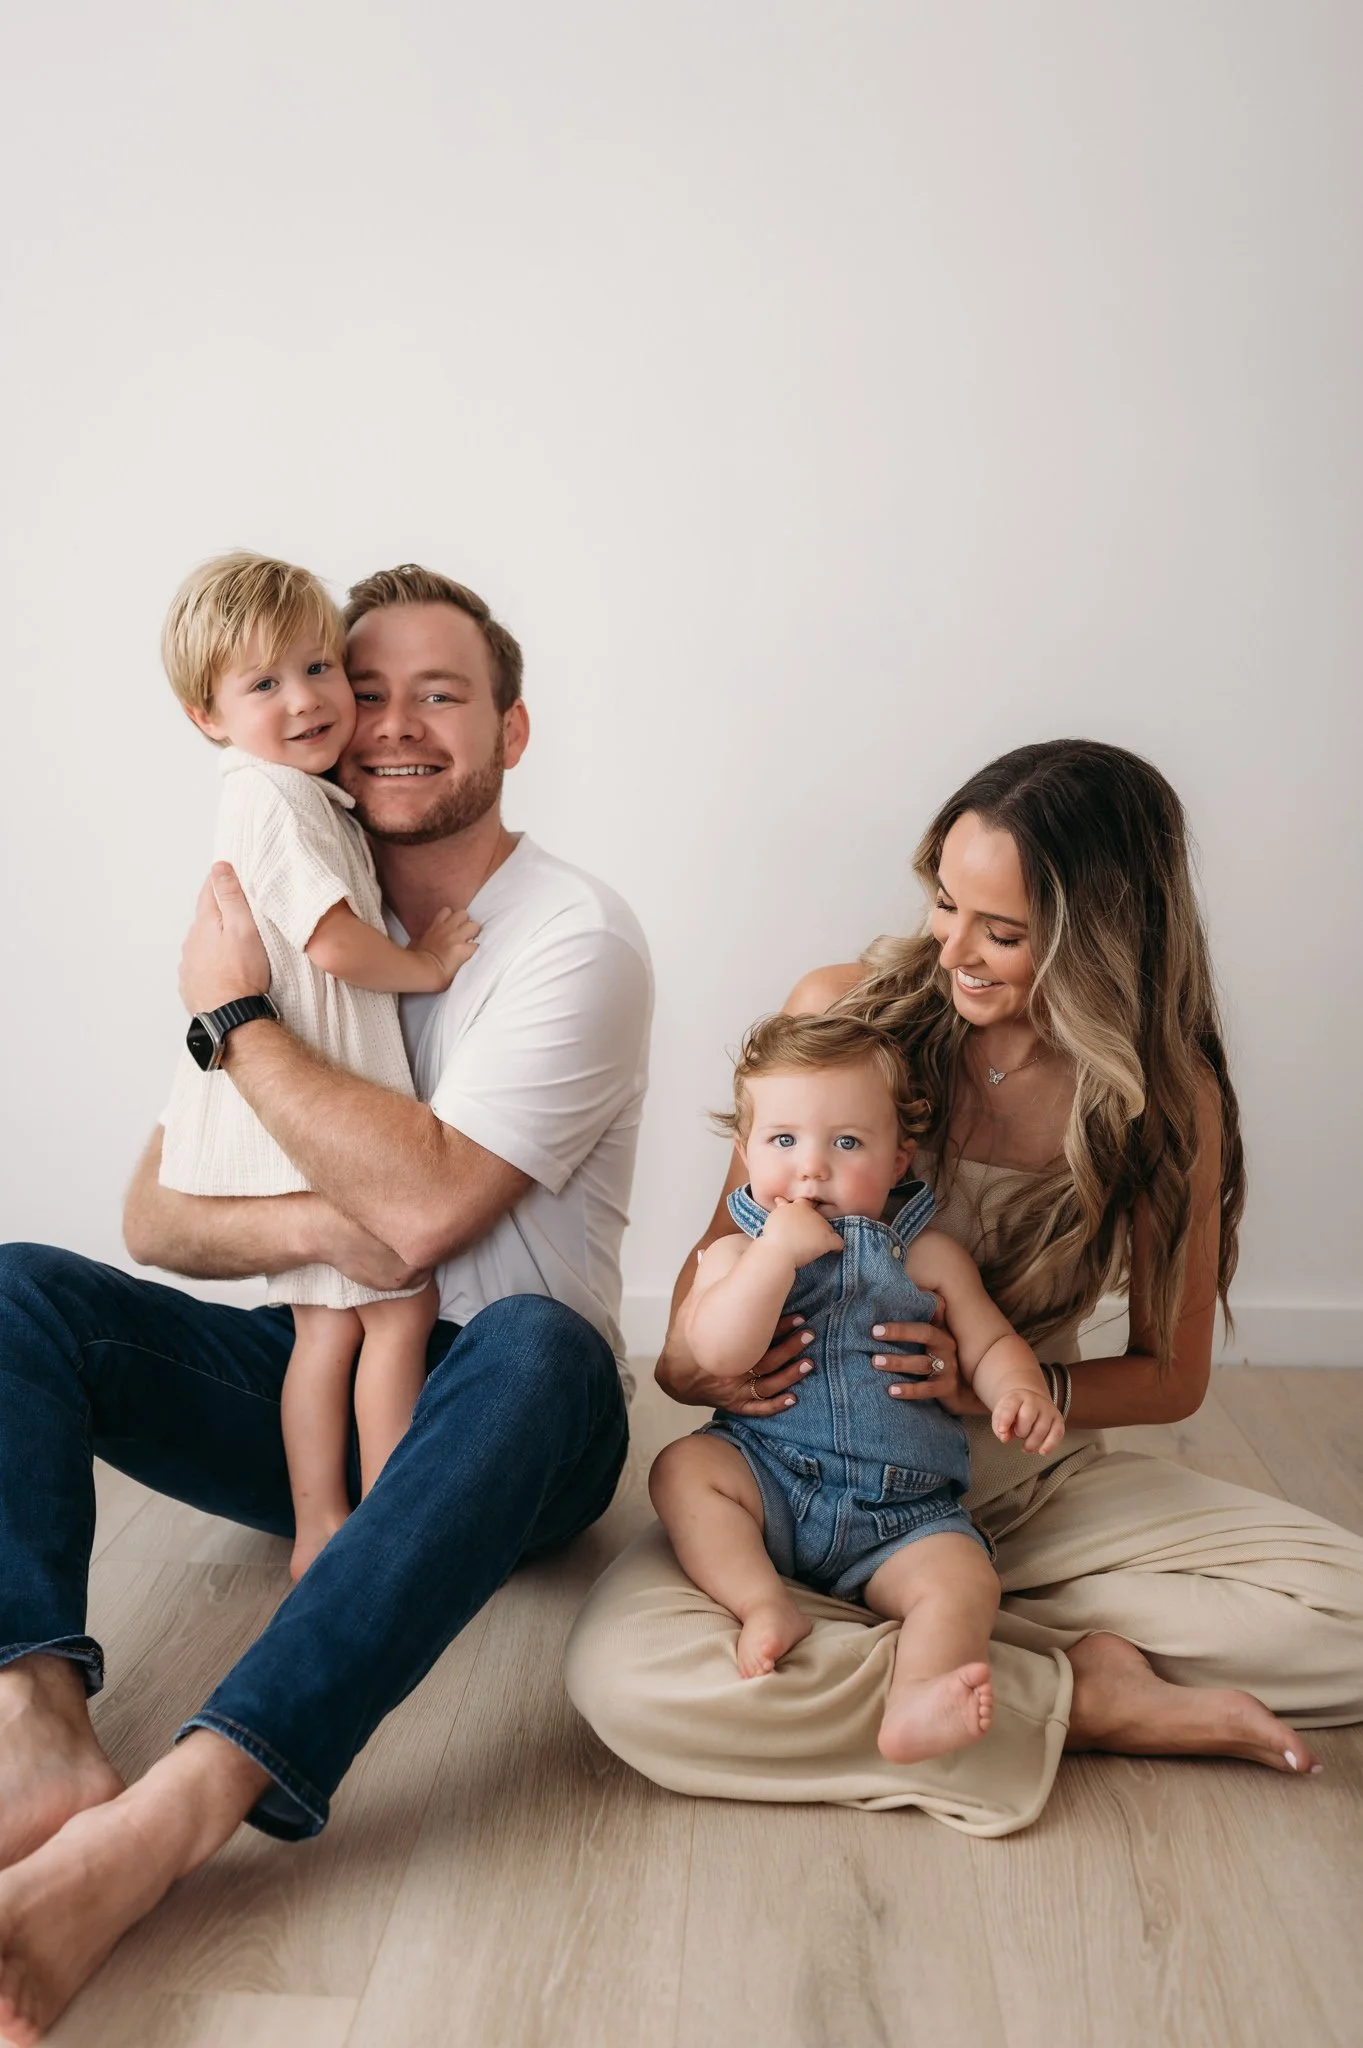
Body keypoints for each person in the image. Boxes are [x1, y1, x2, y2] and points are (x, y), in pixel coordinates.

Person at [0, 564, 652, 2043]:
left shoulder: (571, 940)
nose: (391, 723)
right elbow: (156, 1215)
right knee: (18, 1292)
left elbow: (427, 1214)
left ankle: (170, 1815)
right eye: (365, 689)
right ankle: (32, 1720)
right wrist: (315, 1223)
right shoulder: (293, 878)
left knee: (542, 1348)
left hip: (514, 1423)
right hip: (324, 1368)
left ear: (512, 728)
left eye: (443, 694)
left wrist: (234, 1022)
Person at [566, 738, 1363, 1834]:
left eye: (1005, 931)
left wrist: (1002, 1382)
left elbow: (1171, 1379)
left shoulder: (1163, 1097)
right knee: (629, 1683)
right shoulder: (847, 1016)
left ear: (1102, 941)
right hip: (787, 1477)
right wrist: (713, 1363)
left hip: (1010, 1479)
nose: (957, 953)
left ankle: (945, 1632)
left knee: (1348, 1618)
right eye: (946, 905)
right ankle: (1068, 1689)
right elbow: (698, 1309)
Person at [159, 551, 480, 1579]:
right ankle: (375, 1527)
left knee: (323, 1327)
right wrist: (425, 964)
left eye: (317, 668)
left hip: (292, 1088)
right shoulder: (277, 804)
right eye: (264, 685)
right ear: (206, 714)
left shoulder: (292, 794)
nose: (305, 700)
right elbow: (334, 941)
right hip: (314, 1086)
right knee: (394, 1307)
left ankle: (320, 1524)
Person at [648, 1011, 1064, 1763]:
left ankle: (917, 1699)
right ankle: (762, 1603)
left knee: (964, 1578)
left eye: (846, 1143)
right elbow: (716, 1348)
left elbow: (991, 1339)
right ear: (744, 1155)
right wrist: (774, 1258)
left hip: (901, 1511)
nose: (811, 1169)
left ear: (898, 1158)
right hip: (768, 1479)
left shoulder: (928, 1257)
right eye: (783, 1142)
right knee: (682, 1470)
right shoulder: (733, 1254)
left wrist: (1017, 1390)